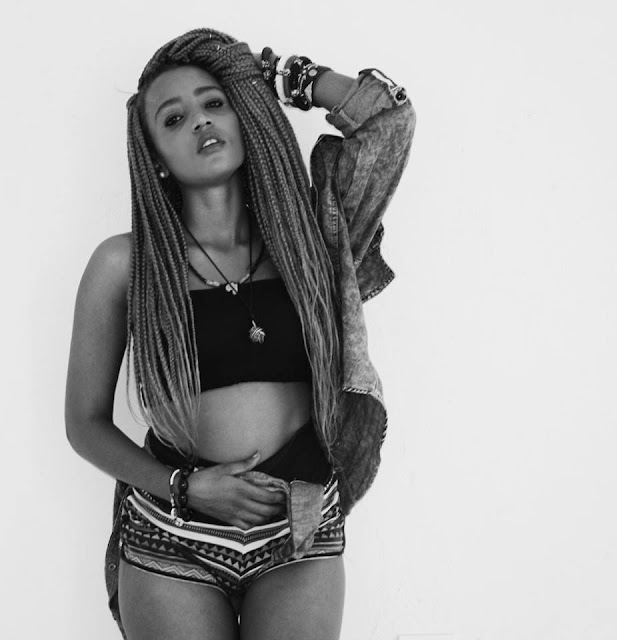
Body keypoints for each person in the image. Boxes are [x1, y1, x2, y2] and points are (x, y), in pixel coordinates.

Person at [65, 27, 415, 640]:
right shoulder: (125, 265)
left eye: (215, 102)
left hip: (299, 524)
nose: (201, 121)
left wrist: (278, 77)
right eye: (174, 118)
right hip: (174, 534)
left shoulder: (308, 240)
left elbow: (388, 119)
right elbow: (84, 424)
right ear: (154, 156)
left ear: (243, 113)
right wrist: (184, 488)